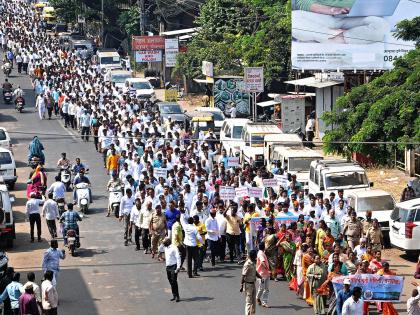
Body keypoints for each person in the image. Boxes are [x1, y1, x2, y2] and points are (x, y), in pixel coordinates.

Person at [160, 238, 181, 302]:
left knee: (174, 280)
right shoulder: (165, 247)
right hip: (168, 267)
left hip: (174, 266)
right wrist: (162, 243)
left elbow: (178, 257)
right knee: (170, 281)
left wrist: (178, 267)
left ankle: (177, 296)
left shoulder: (174, 248)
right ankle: (174, 295)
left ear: (168, 242)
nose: (163, 243)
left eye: (164, 242)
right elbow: (160, 249)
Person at [240, 249, 261, 315]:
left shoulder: (253, 262)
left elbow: (255, 272)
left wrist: (260, 277)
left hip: (253, 284)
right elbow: (243, 275)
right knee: (248, 302)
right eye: (255, 255)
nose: (256, 256)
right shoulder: (247, 264)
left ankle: (253, 314)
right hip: (248, 285)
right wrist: (241, 285)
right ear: (253, 256)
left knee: (253, 302)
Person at [256, 242, 270, 308]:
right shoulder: (261, 253)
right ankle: (257, 297)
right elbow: (263, 262)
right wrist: (268, 269)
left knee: (266, 289)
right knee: (261, 288)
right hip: (261, 275)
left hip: (266, 274)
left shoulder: (262, 252)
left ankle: (264, 302)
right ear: (264, 247)